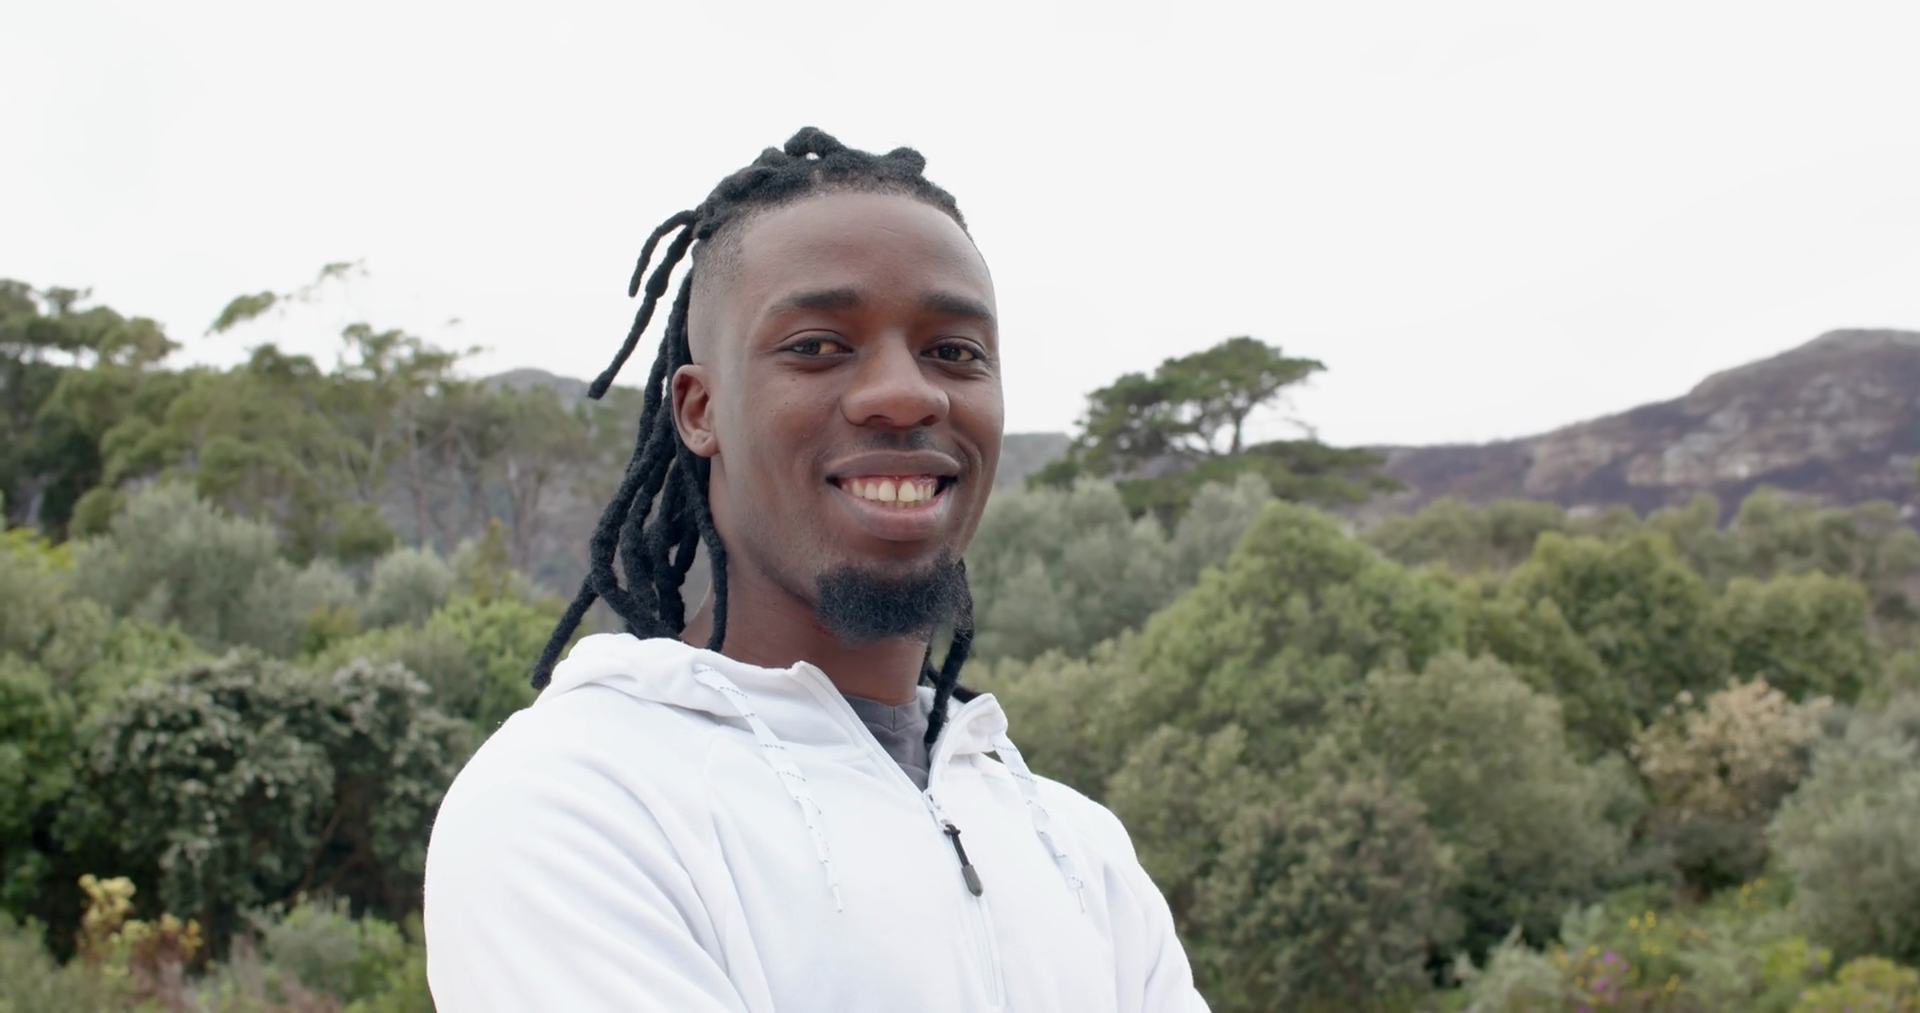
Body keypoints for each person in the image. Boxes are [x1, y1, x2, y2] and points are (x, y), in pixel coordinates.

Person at [423, 128, 1208, 1012]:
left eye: (954, 351)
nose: (906, 393)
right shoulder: (579, 803)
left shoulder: (1078, 849)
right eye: (818, 345)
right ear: (700, 409)